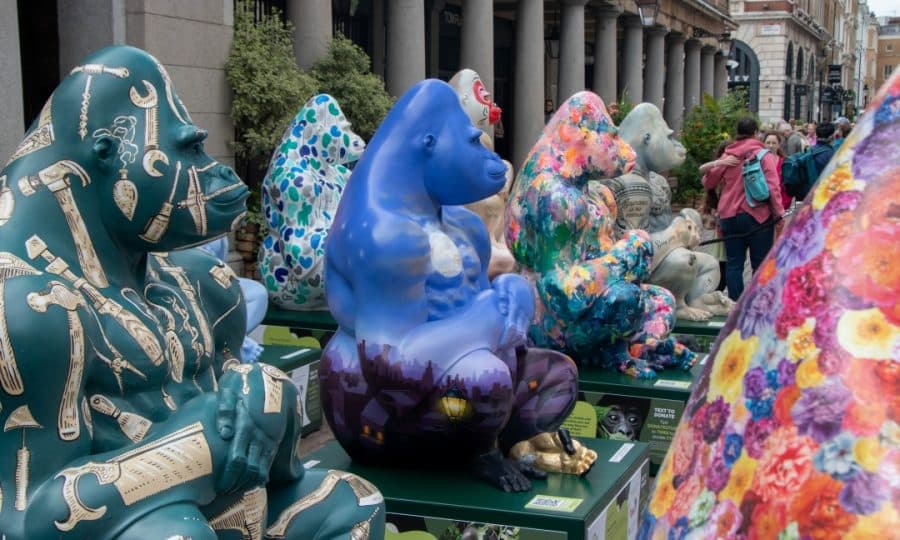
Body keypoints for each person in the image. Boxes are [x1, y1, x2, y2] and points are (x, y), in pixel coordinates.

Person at [702, 117, 785, 301]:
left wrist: (719, 164)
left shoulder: (728, 155)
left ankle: (735, 305)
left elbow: (708, 182)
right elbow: (773, 188)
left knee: (734, 265)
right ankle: (755, 304)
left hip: (729, 216)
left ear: (737, 133)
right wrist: (779, 214)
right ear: (755, 133)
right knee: (760, 264)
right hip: (759, 217)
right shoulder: (763, 155)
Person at [763, 130, 791, 212]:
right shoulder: (758, 161)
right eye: (768, 143)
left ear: (779, 145)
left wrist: (783, 205)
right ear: (763, 144)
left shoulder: (784, 162)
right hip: (762, 206)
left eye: (774, 143)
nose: (771, 145)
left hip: (780, 204)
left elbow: (787, 186)